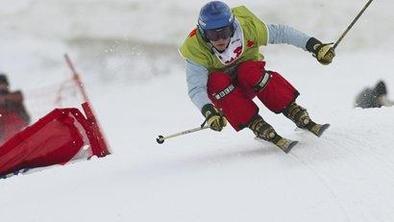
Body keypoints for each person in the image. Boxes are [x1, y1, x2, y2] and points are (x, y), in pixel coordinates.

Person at [178, 1, 334, 152]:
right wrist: (209, 111)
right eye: (213, 34)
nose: (220, 40)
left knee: (248, 69)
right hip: (224, 95)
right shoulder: (195, 48)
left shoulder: (248, 28)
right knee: (215, 80)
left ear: (232, 27)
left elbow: (282, 32)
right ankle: (254, 123)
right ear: (203, 34)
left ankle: (291, 108)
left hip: (250, 82)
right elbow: (196, 89)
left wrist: (314, 46)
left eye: (224, 32)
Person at [0, 73, 31, 144]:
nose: (1, 87)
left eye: (2, 84)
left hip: (19, 136)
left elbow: (26, 119)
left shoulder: (15, 98)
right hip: (4, 141)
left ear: (7, 85)